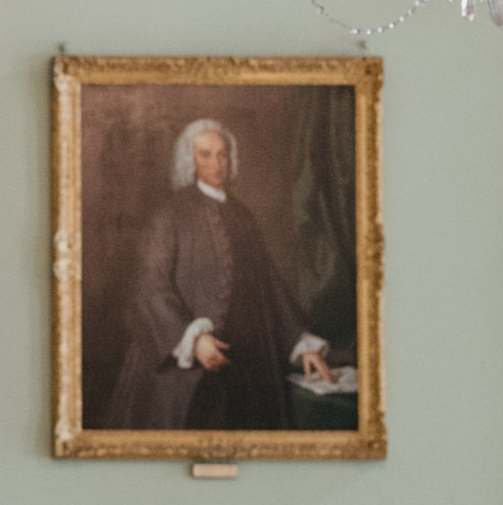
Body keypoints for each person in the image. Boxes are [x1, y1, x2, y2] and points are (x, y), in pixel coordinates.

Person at [103, 119, 333, 434]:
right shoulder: (171, 214)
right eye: (205, 154)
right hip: (179, 372)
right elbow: (149, 288)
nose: (216, 163)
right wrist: (193, 340)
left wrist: (302, 343)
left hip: (244, 368)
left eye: (222, 154)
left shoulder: (243, 217)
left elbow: (270, 288)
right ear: (191, 159)